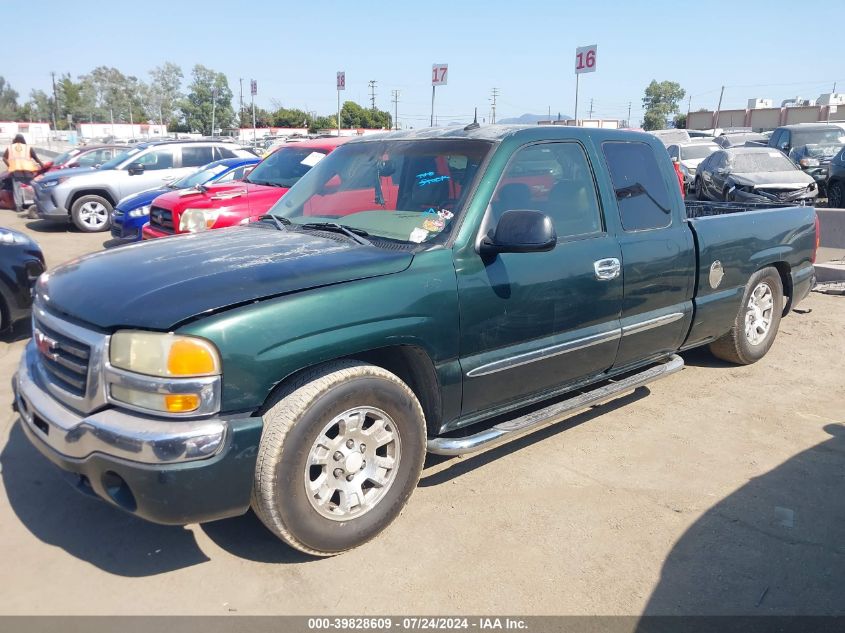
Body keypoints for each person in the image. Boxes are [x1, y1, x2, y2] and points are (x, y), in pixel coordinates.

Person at [3, 134, 44, 213]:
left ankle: (19, 207)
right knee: (31, 189)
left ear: (15, 140)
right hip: (28, 172)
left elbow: (4, 158)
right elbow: (36, 158)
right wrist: (43, 166)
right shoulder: (28, 147)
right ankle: (33, 204)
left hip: (16, 172)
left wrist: (9, 165)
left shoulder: (10, 148)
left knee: (17, 190)